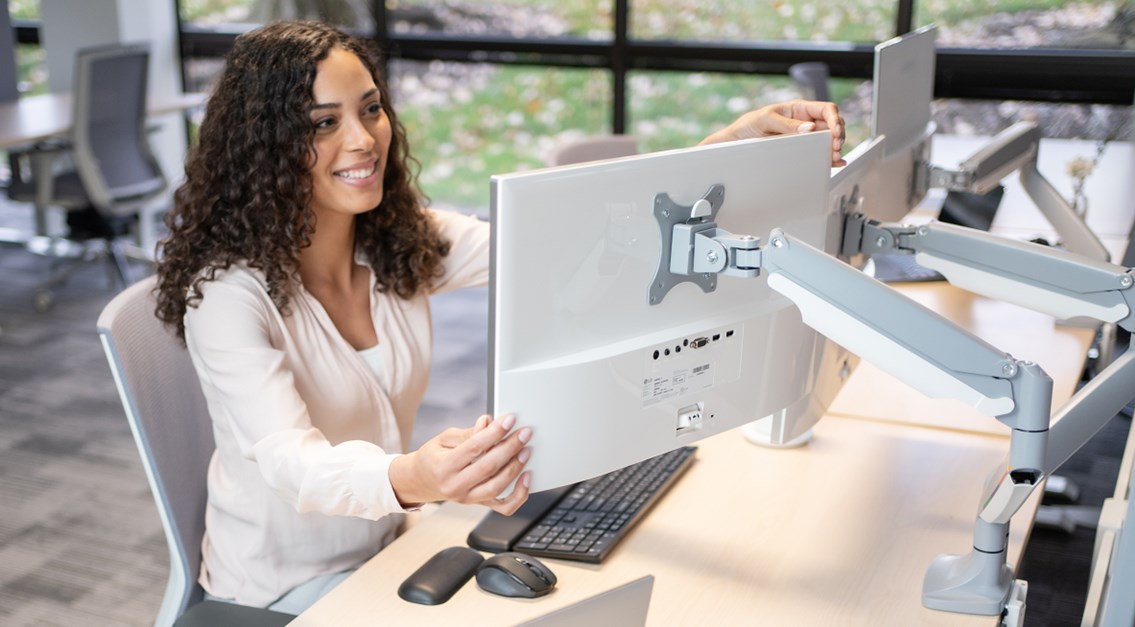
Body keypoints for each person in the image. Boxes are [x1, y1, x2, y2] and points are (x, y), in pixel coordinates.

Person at [154, 20, 845, 613]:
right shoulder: (226, 294)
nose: (363, 139)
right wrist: (414, 477)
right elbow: (291, 464)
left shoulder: (395, 239)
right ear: (265, 148)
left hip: (390, 545)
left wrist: (725, 144)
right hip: (280, 593)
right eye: (324, 124)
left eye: (370, 109)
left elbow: (562, 239)